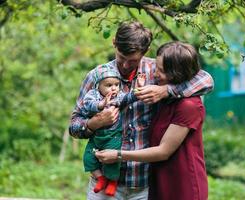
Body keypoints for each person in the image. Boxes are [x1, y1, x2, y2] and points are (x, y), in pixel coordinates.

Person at [69, 21, 213, 200]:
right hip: (104, 179)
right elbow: (74, 125)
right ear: (114, 42)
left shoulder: (158, 72)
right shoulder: (97, 76)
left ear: (146, 51)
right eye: (121, 57)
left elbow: (206, 80)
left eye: (133, 60)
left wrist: (165, 90)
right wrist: (94, 123)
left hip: (145, 183)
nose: (126, 65)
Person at [97, 41, 208, 200]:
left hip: (182, 184)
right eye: (156, 67)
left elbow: (163, 151)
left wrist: (118, 155)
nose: (155, 75)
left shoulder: (188, 106)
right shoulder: (165, 97)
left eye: (161, 71)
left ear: (176, 73)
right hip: (160, 179)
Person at [81, 65, 146, 196]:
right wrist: (101, 104)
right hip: (97, 136)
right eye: (109, 85)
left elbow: (129, 98)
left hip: (113, 136)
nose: (114, 88)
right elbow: (87, 106)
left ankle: (112, 182)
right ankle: (101, 178)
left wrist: (138, 87)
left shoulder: (118, 97)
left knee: (112, 162)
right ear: (98, 86)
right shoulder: (93, 95)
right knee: (88, 157)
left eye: (116, 84)